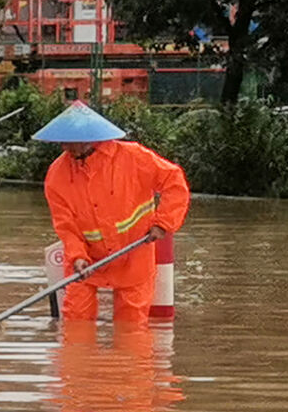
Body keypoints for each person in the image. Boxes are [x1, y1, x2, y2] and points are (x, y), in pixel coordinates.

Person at [33, 102, 190, 322]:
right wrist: (78, 256)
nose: (64, 147)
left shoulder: (133, 157)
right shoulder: (57, 175)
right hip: (86, 258)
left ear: (87, 140)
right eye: (61, 142)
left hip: (134, 253)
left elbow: (174, 182)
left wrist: (163, 223)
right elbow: (66, 227)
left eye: (68, 142)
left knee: (132, 326)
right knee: (76, 321)